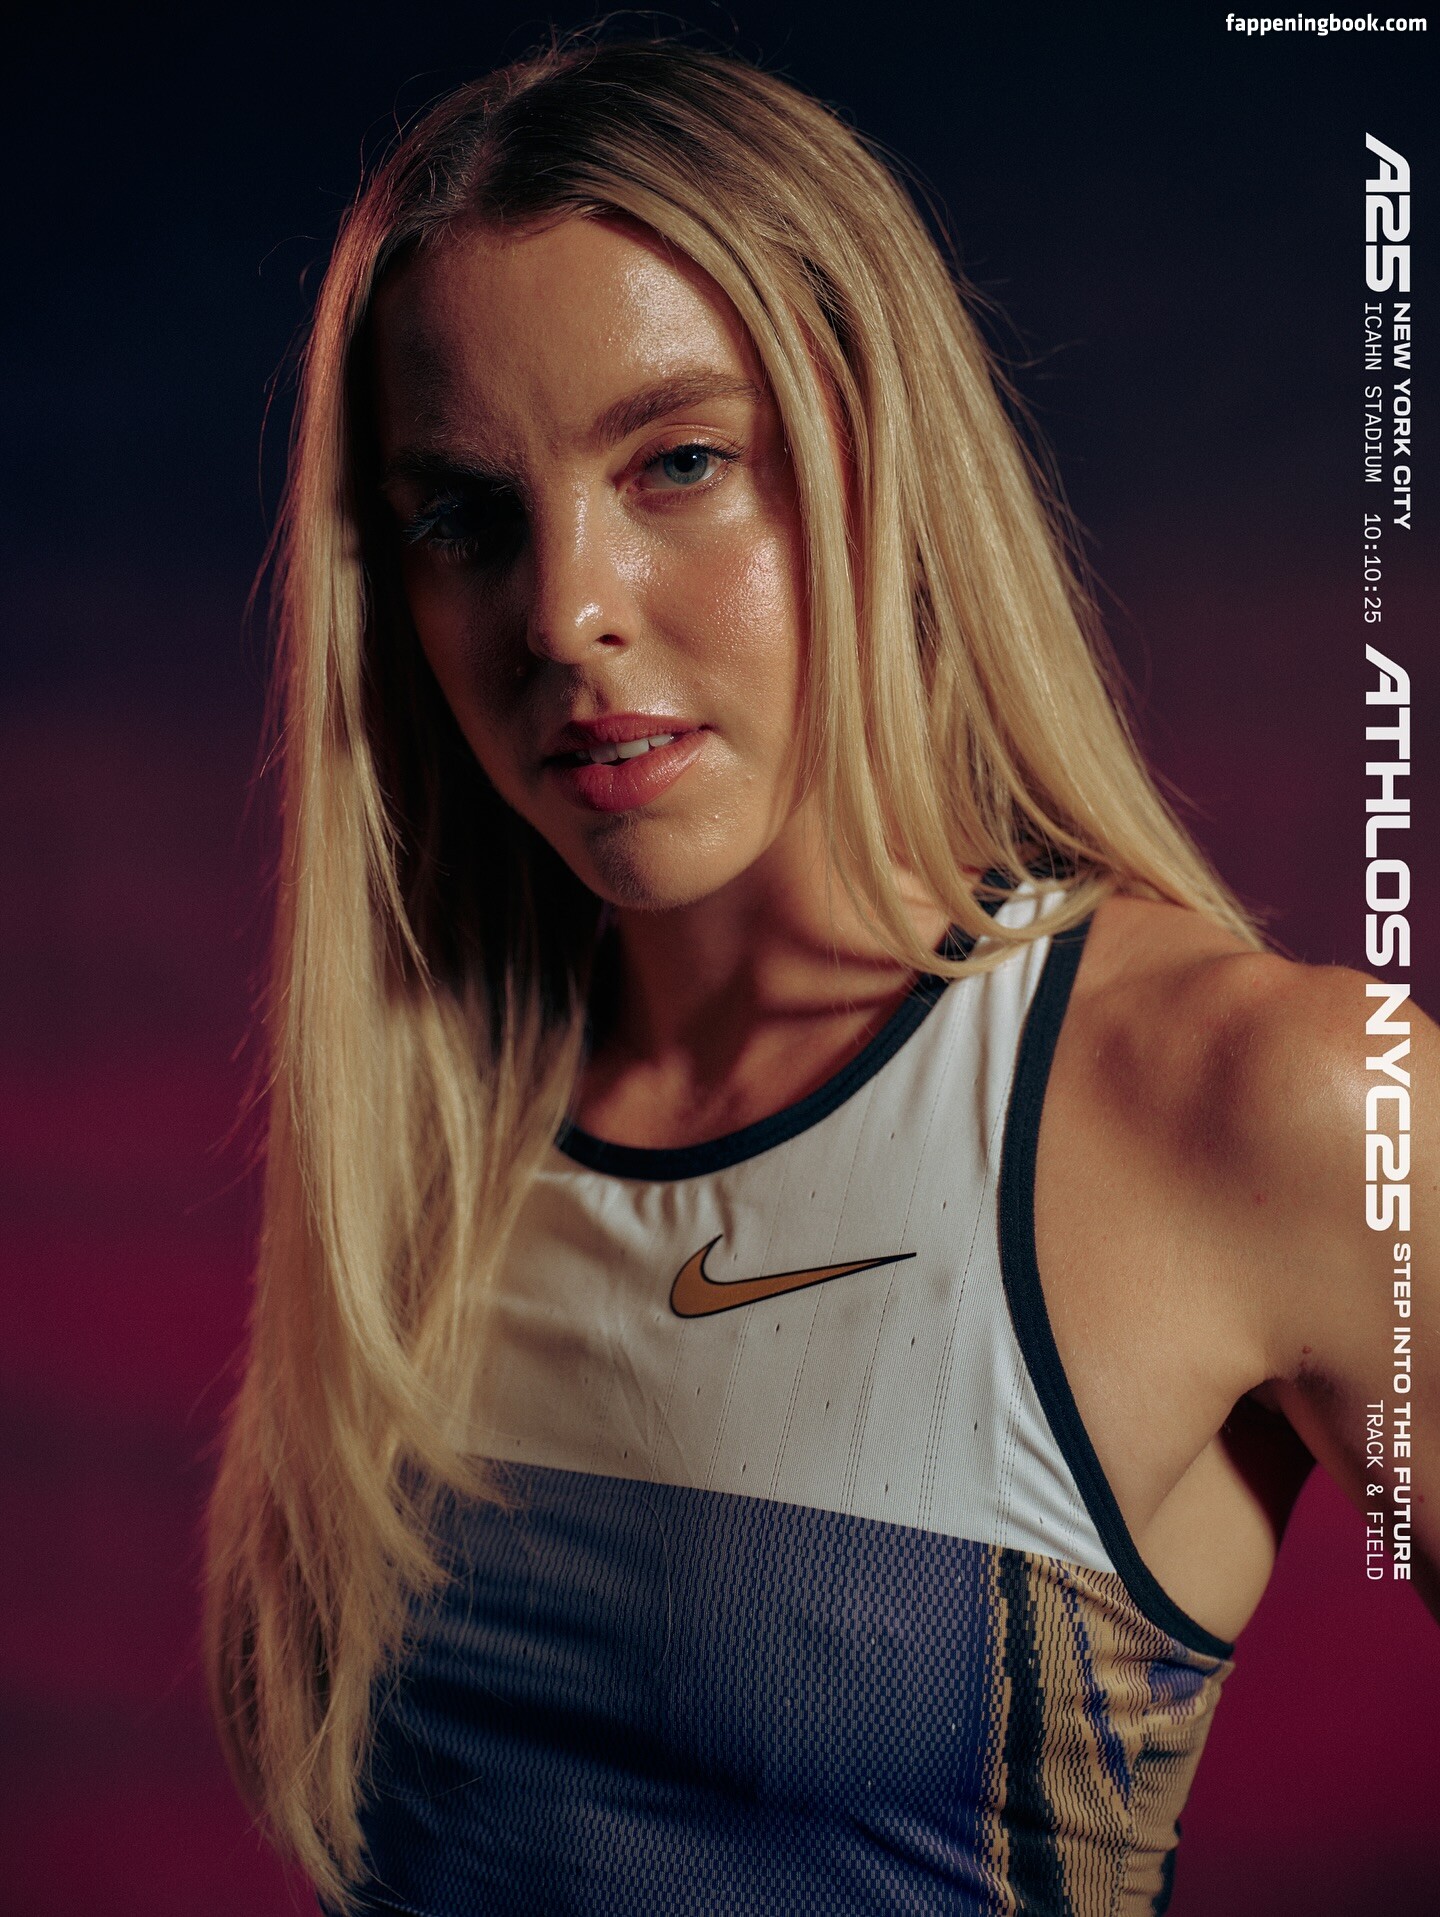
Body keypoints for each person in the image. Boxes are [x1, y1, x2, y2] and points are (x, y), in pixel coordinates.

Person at [203, 36, 1436, 1917]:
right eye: (464, 515)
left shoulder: (1273, 1099)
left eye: (681, 462)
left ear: (889, 463)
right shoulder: (426, 1140)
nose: (565, 611)